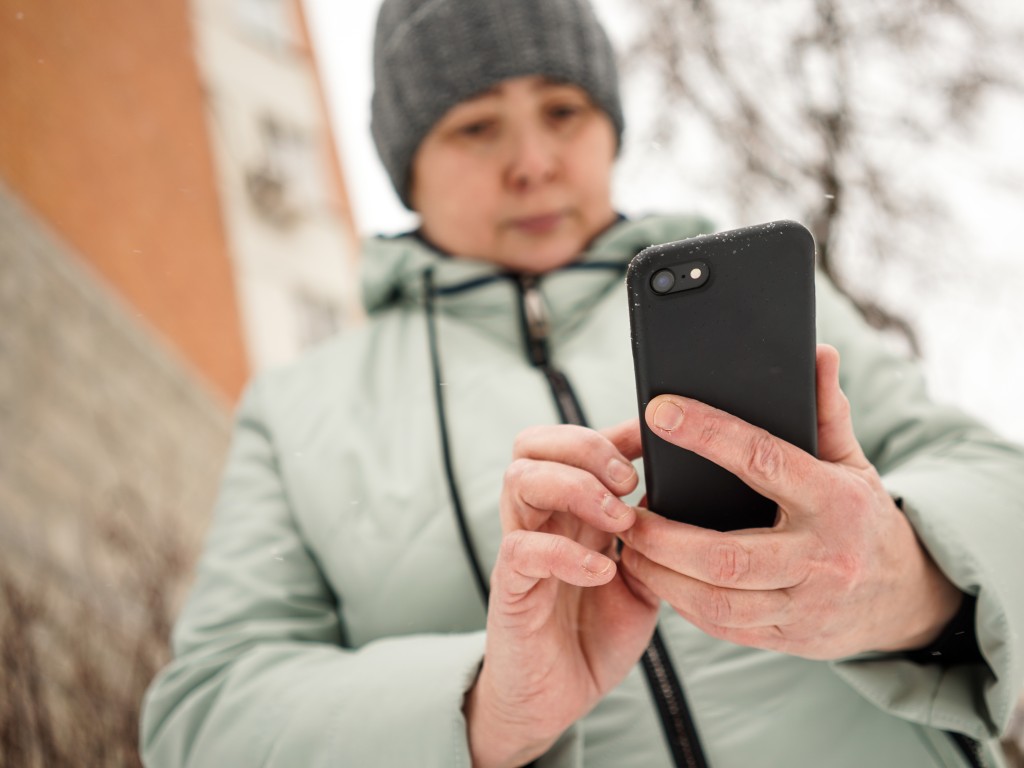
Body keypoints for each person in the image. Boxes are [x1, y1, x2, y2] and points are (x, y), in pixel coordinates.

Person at [140, 0, 1024, 765]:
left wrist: (906, 582)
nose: (534, 161)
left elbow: (995, 483)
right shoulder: (302, 408)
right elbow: (202, 716)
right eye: (475, 125)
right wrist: (484, 711)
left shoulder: (768, 304)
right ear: (407, 164)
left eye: (563, 110)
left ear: (609, 124)